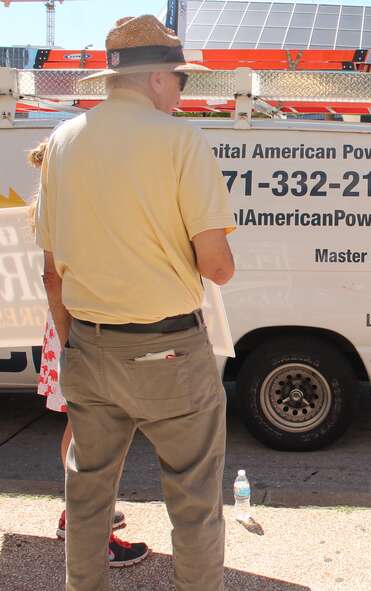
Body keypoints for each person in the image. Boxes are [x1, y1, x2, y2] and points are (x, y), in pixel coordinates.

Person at [35, 15, 236, 590]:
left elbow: (51, 272)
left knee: (89, 491)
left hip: (90, 345)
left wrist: (73, 341)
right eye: (181, 80)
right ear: (156, 80)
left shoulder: (62, 143)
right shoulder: (180, 141)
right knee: (194, 499)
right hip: (169, 347)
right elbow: (216, 265)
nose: (181, 91)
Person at [27, 140, 141, 562]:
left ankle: (85, 515)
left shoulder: (55, 203)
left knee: (86, 426)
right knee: (96, 432)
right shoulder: (67, 207)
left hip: (71, 326)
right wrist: (71, 339)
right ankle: (89, 529)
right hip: (81, 327)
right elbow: (53, 277)